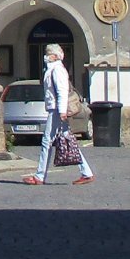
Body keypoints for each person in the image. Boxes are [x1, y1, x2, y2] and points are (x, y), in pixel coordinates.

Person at [22, 42, 93, 186]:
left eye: (48, 54)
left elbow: (61, 92)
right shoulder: (52, 69)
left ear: (54, 56)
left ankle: (40, 176)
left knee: (47, 141)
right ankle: (86, 172)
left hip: (57, 110)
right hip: (56, 110)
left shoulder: (57, 70)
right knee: (68, 140)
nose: (46, 56)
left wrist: (61, 112)